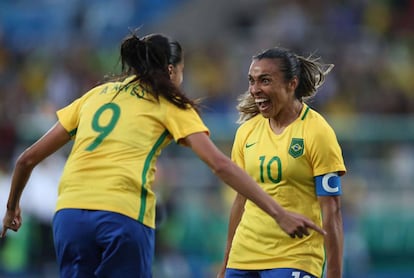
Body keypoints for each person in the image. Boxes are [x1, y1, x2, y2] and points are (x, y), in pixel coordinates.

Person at [0, 32, 325, 278]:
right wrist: (278, 212)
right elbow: (221, 165)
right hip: (122, 215)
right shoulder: (169, 103)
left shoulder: (95, 96)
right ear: (171, 70)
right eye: (182, 71)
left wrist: (12, 207)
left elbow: (26, 158)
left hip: (69, 216)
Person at [217, 47, 347, 278]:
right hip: (244, 257)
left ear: (292, 84)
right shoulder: (247, 132)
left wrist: (334, 274)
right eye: (252, 81)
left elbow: (332, 210)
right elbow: (240, 201)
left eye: (265, 81)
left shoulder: (317, 132)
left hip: (295, 256)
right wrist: (226, 263)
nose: (255, 89)